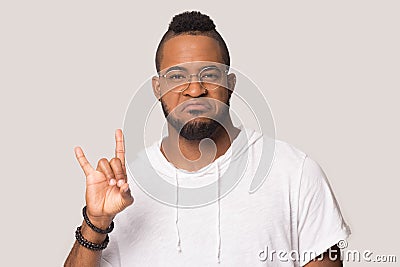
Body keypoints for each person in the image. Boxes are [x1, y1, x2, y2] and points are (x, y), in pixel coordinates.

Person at [64, 11, 351, 267]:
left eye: (209, 74)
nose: (194, 89)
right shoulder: (127, 186)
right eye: (177, 76)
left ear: (230, 84)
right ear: (157, 88)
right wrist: (97, 223)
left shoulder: (294, 173)